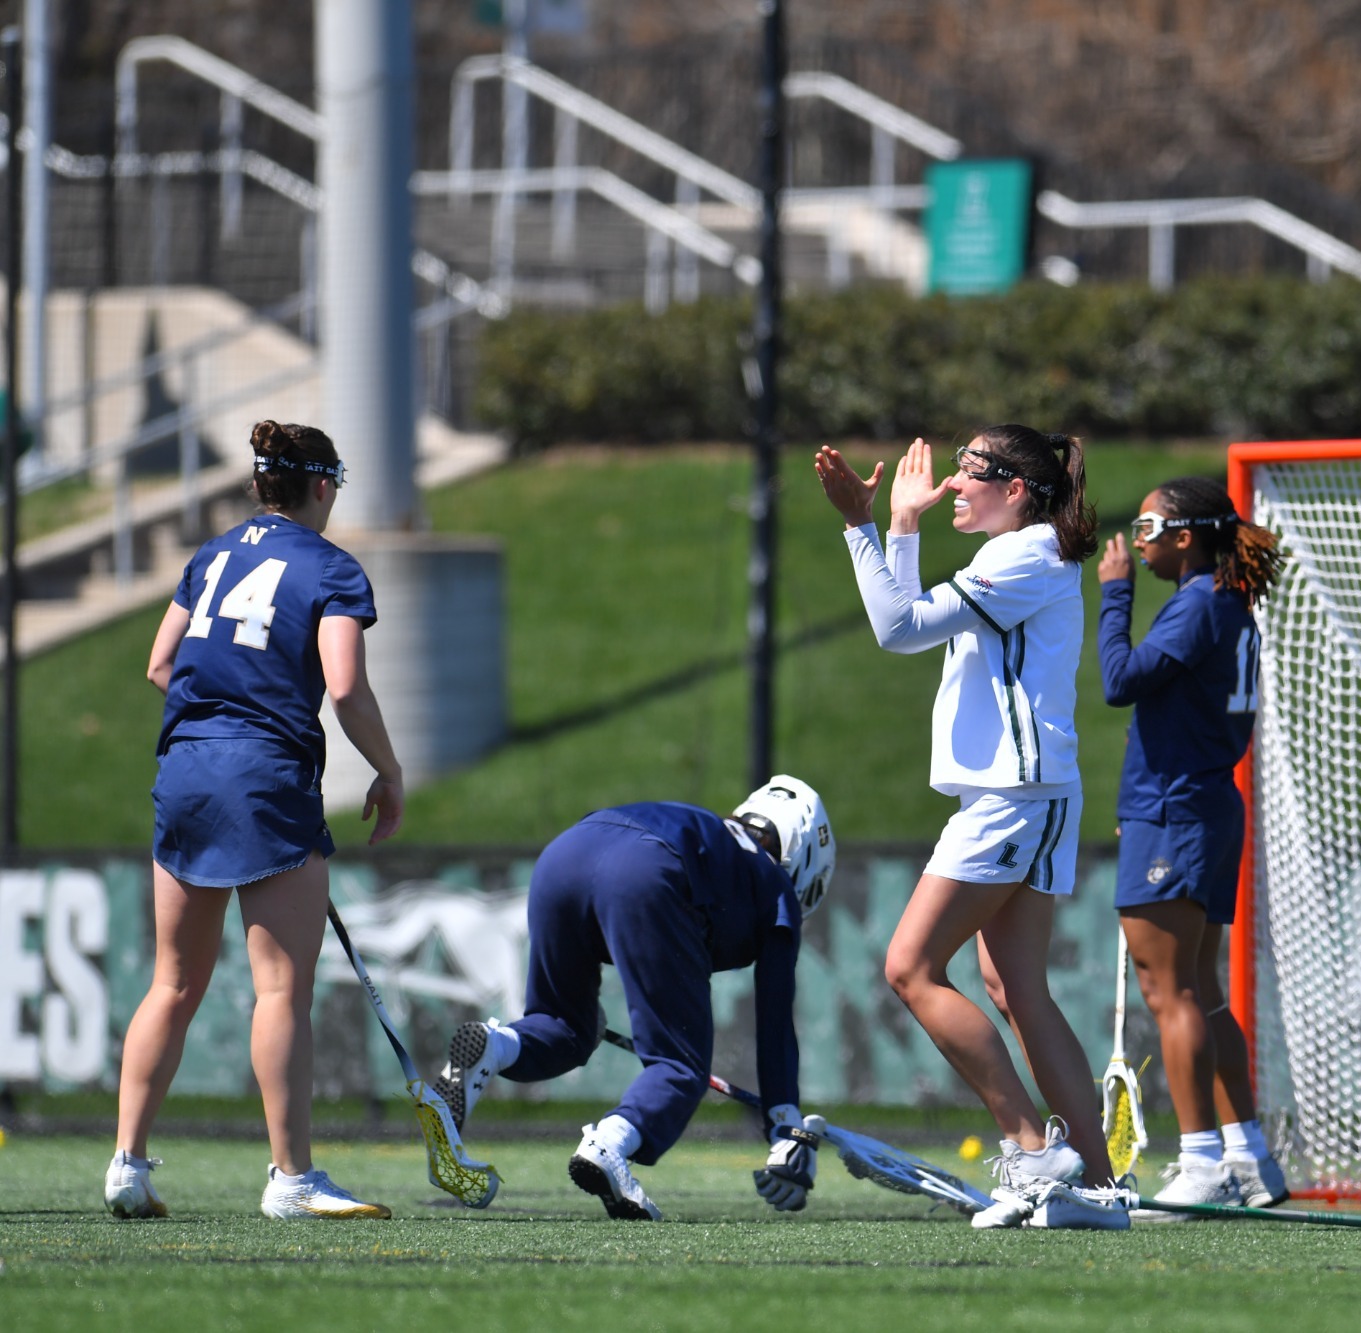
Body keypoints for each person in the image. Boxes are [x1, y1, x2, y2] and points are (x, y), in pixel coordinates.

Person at [813, 428, 1128, 1231]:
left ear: (1015, 488)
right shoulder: (1022, 556)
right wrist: (897, 529)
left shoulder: (1019, 557)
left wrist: (870, 525)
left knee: (910, 967)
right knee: (1014, 987)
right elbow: (913, 619)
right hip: (1031, 794)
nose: (954, 482)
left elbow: (896, 628)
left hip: (1012, 799)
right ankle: (1097, 1187)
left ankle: (1031, 1149)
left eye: (970, 471)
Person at [106, 419, 405, 1221]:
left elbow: (160, 663)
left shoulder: (212, 556)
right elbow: (343, 688)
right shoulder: (332, 568)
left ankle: (127, 1164)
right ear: (321, 485)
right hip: (263, 776)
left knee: (171, 982)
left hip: (186, 770)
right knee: (280, 988)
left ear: (257, 486)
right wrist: (388, 768)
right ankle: (292, 1178)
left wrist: (218, 719)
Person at [435, 778, 836, 1221]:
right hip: (647, 869)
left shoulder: (710, 832)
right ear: (802, 859)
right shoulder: (775, 882)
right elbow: (775, 1018)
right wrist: (785, 1125)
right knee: (680, 1066)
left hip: (564, 854)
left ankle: (493, 1045)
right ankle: (608, 1144)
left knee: (563, 1026)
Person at [1096, 476, 1288, 1220]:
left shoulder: (1201, 602)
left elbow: (1120, 680)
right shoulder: (1230, 605)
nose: (1135, 540)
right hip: (1199, 806)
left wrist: (1114, 593)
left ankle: (1202, 1158)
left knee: (1169, 990)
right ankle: (1249, 1153)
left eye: (1147, 526)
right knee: (1201, 990)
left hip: (1175, 811)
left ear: (1185, 536)